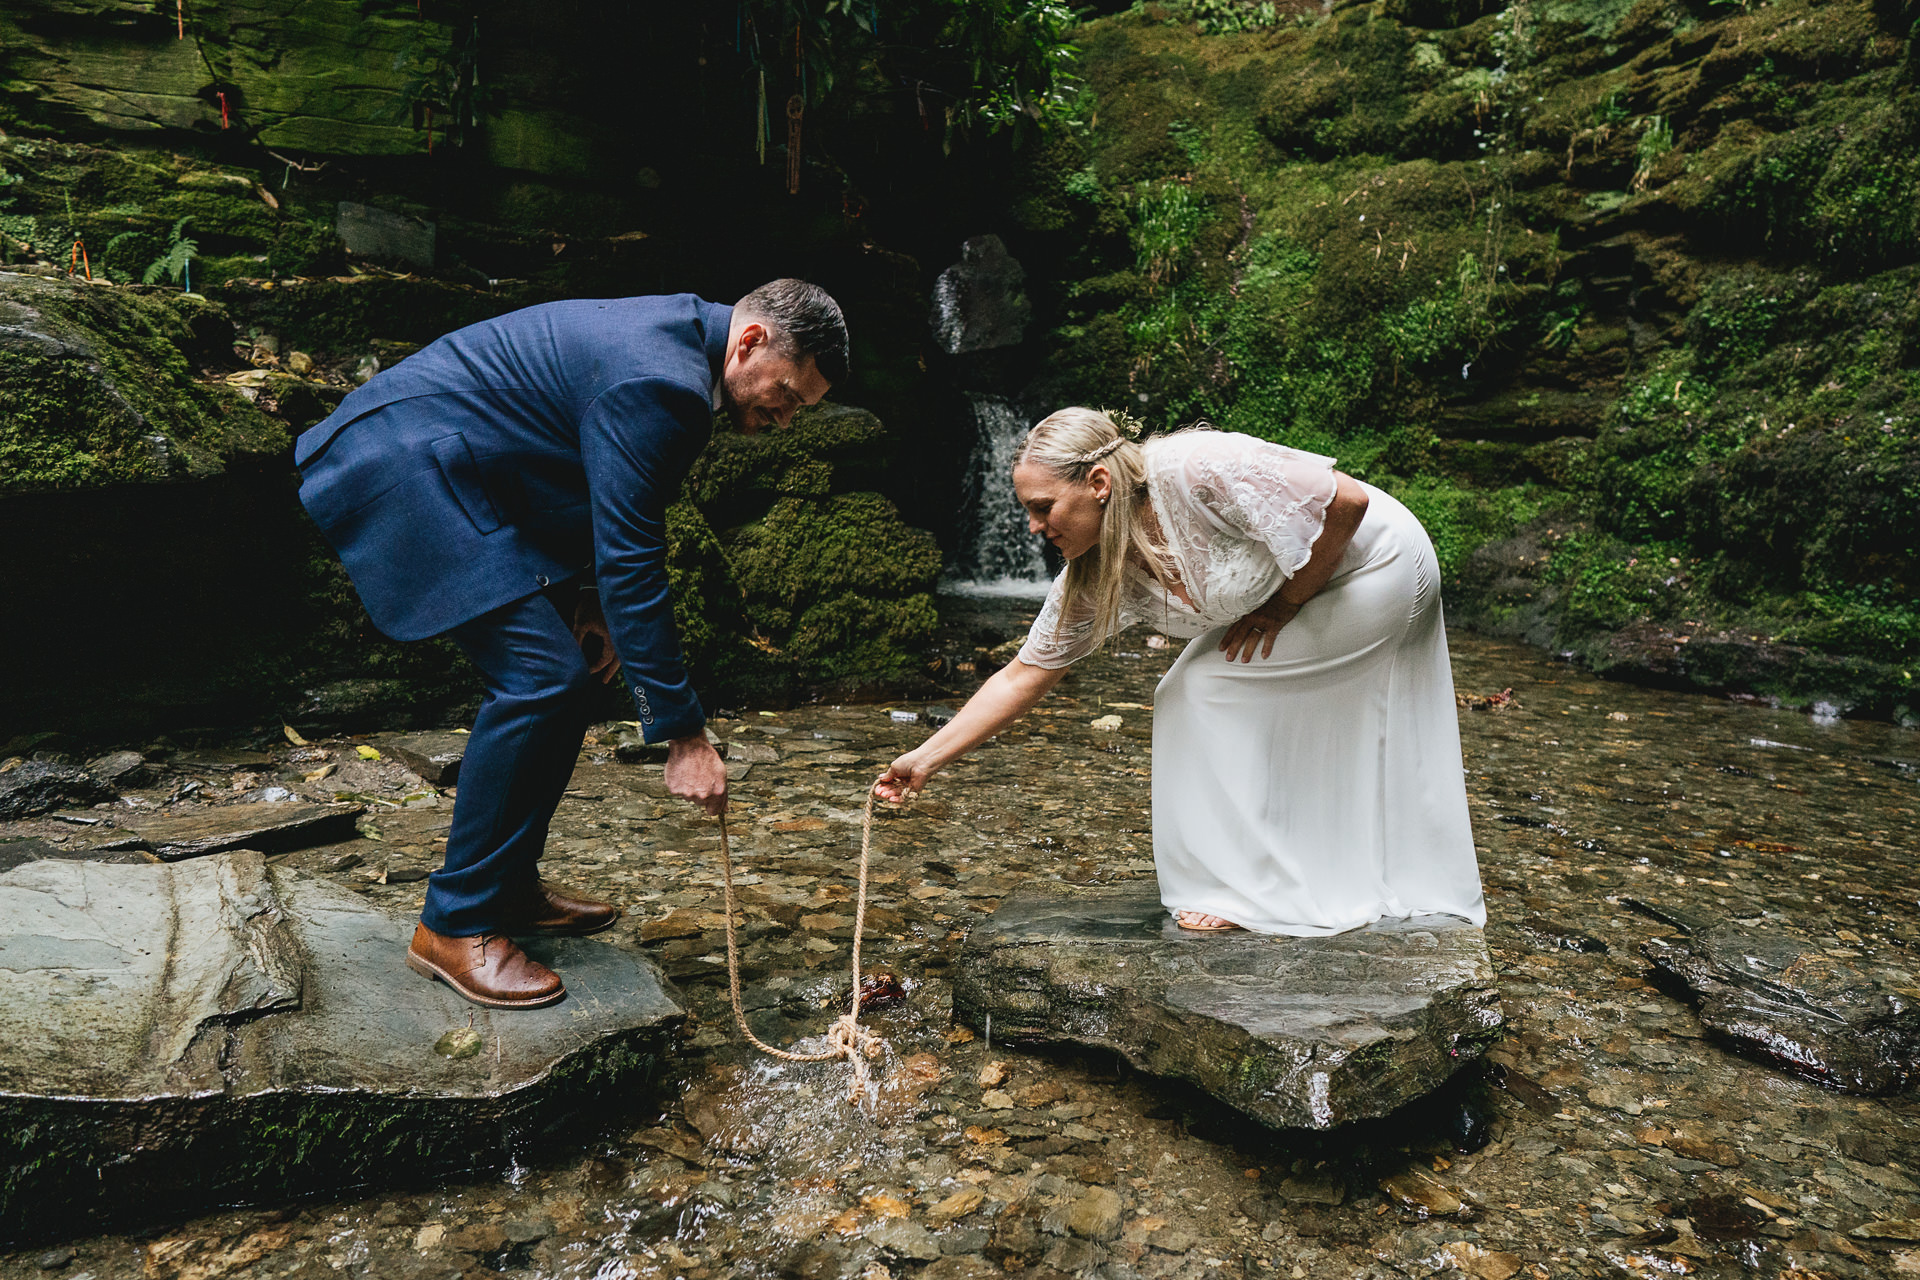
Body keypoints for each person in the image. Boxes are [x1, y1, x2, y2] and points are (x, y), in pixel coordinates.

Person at [297, 279, 848, 1007]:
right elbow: (633, 559)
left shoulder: (683, 357)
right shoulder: (665, 383)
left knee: (571, 674)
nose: (784, 419)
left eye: (800, 410)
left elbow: (613, 498)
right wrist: (682, 735)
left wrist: (591, 604)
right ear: (749, 343)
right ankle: (454, 926)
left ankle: (508, 886)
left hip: (469, 467)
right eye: (785, 394)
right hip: (405, 464)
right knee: (540, 679)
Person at [875, 408, 1485, 936]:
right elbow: (1022, 675)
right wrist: (924, 761)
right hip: (1317, 588)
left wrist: (1284, 606)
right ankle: (1292, 873)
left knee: (1205, 690)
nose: (1034, 527)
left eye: (1043, 508)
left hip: (1377, 567)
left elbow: (1347, 501)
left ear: (1098, 482)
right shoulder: (1092, 572)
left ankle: (1243, 891)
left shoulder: (1196, 469)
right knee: (1193, 692)